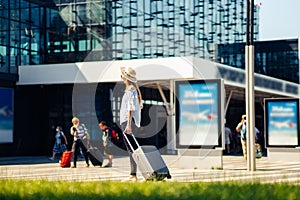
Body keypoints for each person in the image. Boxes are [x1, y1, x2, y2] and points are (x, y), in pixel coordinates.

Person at [119, 66, 143, 181]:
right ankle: (133, 174)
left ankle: (133, 175)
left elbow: (130, 108)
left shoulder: (130, 90)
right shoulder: (133, 90)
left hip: (127, 122)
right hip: (128, 121)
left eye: (122, 75)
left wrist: (128, 125)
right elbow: (138, 106)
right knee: (132, 148)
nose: (121, 76)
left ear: (126, 78)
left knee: (131, 149)